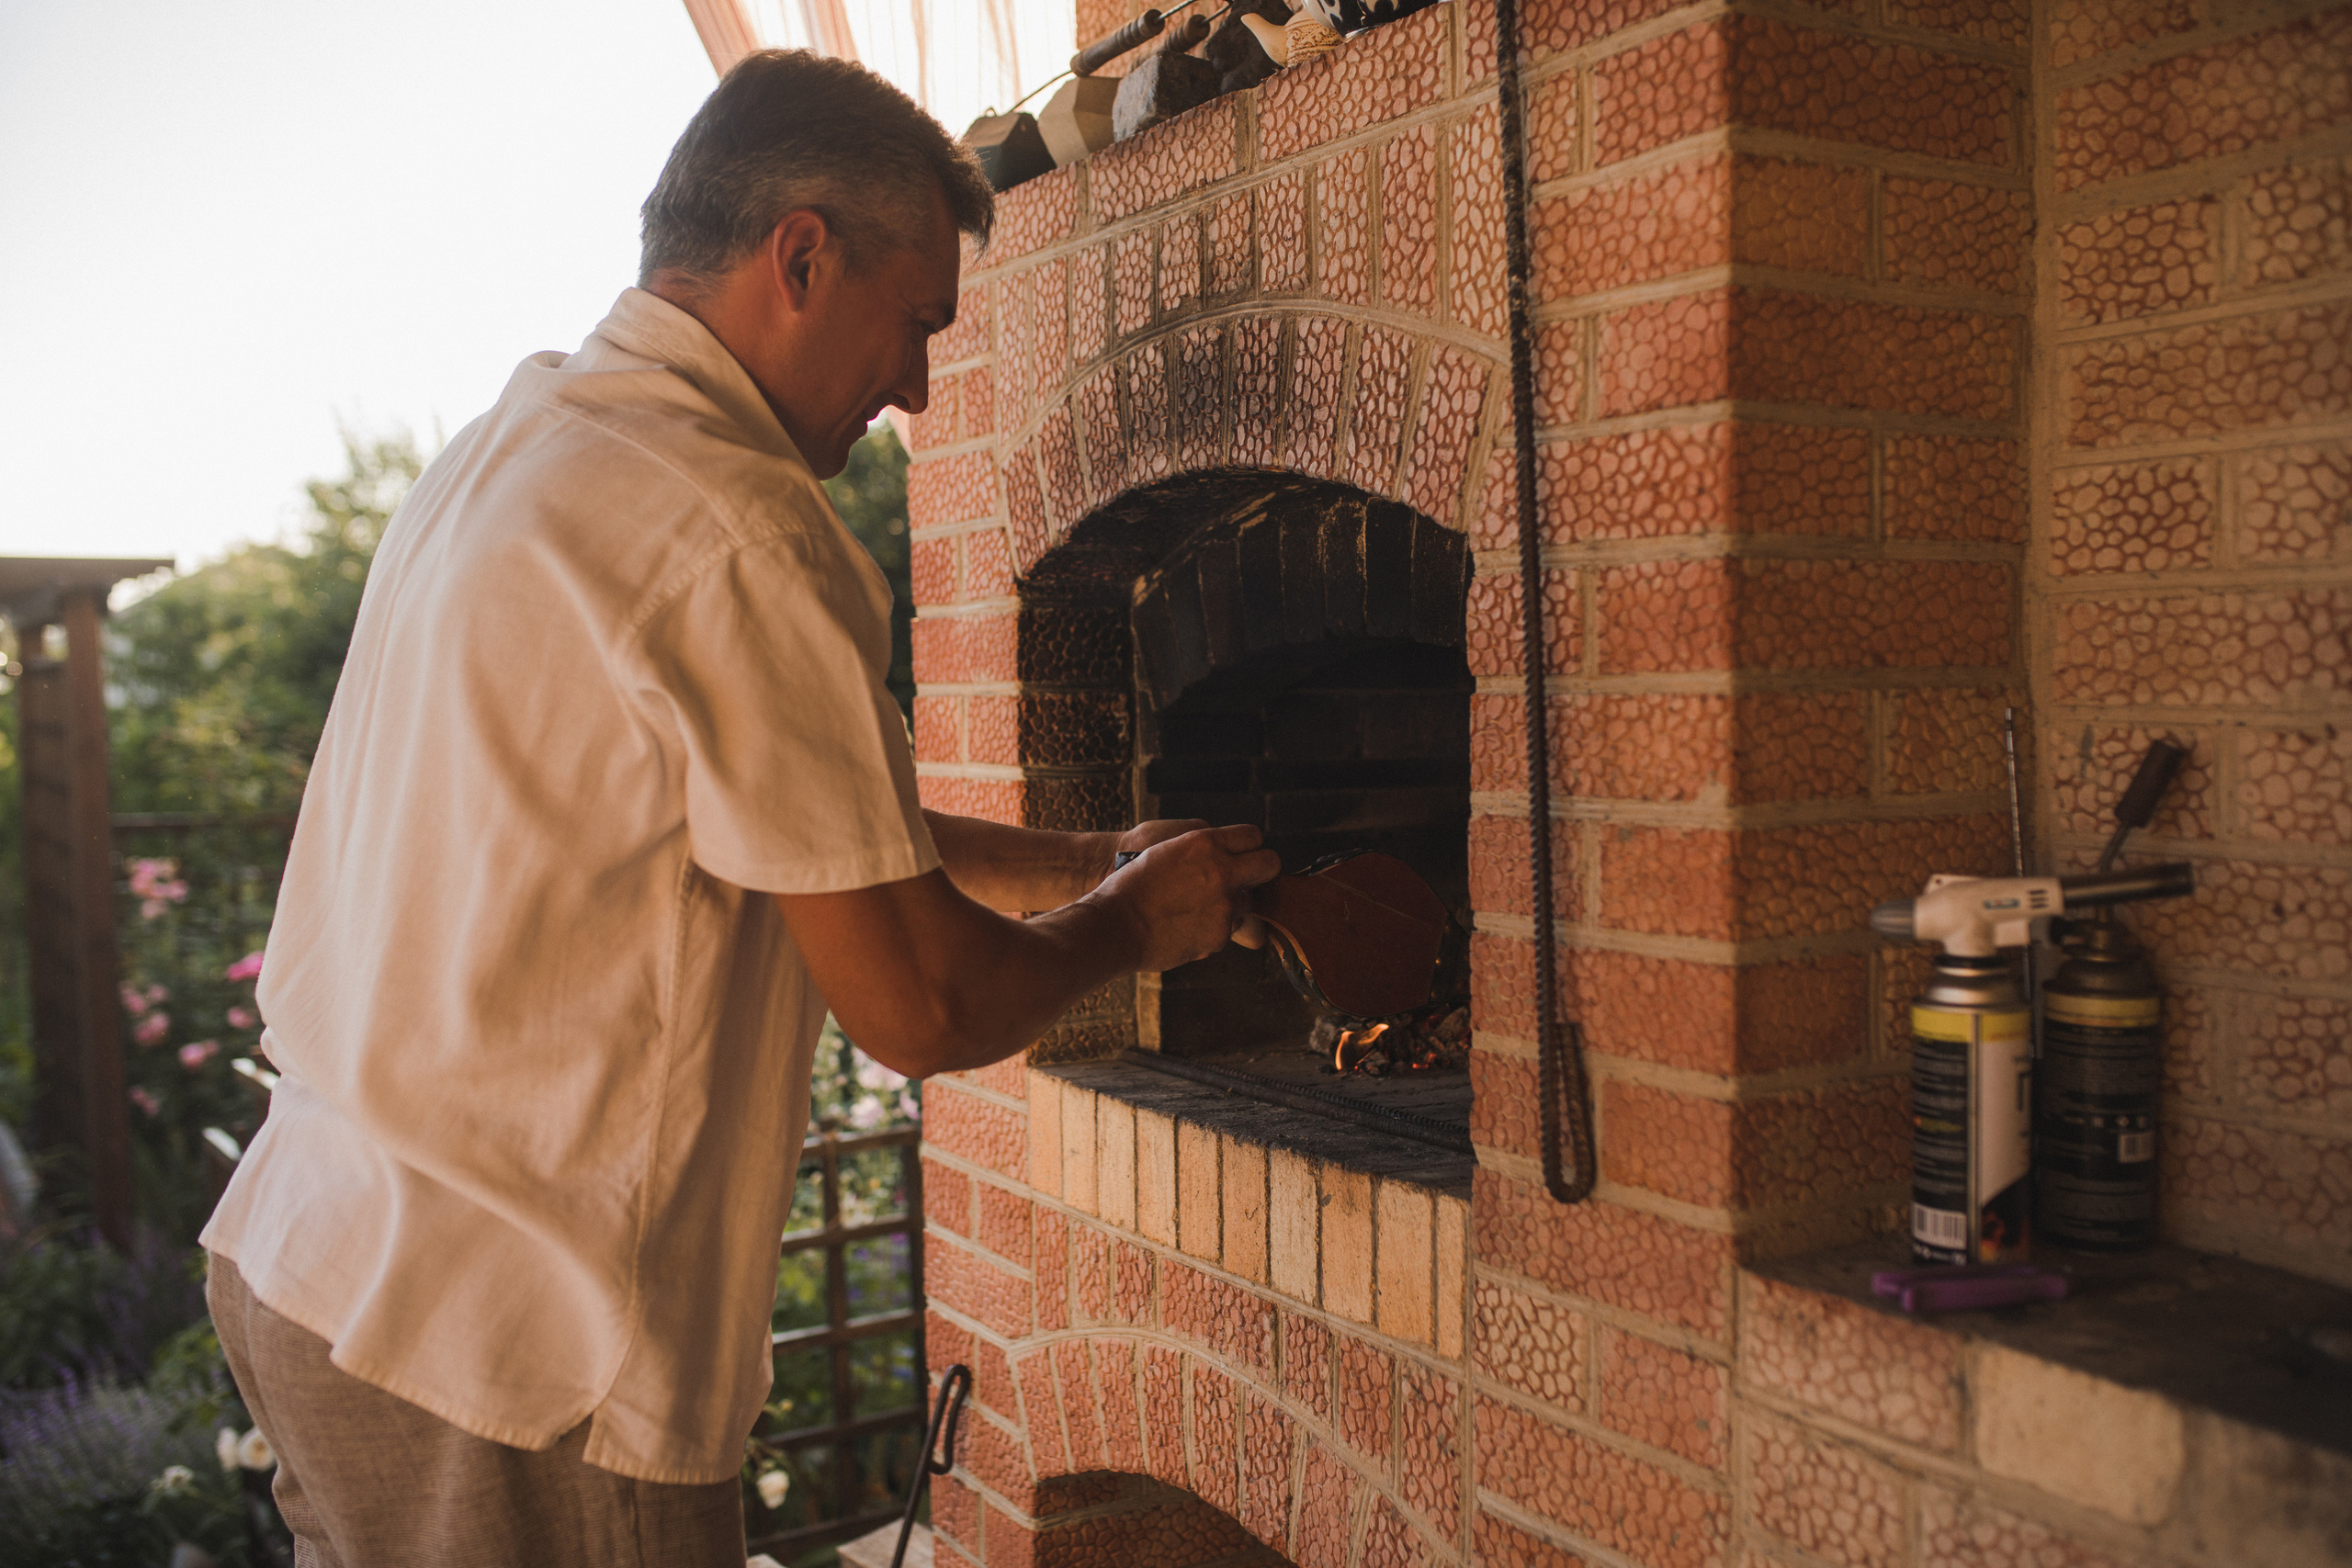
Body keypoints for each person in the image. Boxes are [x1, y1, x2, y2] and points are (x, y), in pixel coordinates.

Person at [198, 50, 1278, 1567]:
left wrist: (1092, 858)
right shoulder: (740, 526)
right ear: (802, 255)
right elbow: (917, 1003)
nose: (914, 388)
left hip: (313, 1266)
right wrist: (1131, 928)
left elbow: (798, 828)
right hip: (509, 1363)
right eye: (916, 325)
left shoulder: (518, 444)